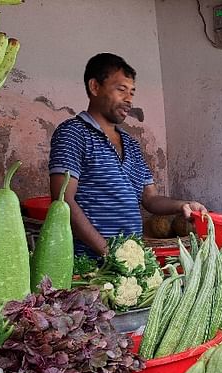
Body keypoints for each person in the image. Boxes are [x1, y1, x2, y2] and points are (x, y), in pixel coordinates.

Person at [49, 53, 206, 256]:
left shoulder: (131, 144)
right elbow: (63, 201)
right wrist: (109, 253)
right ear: (94, 87)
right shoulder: (72, 133)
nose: (129, 99)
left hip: (129, 264)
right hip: (88, 262)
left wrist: (183, 205)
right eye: (121, 90)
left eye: (132, 92)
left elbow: (150, 199)